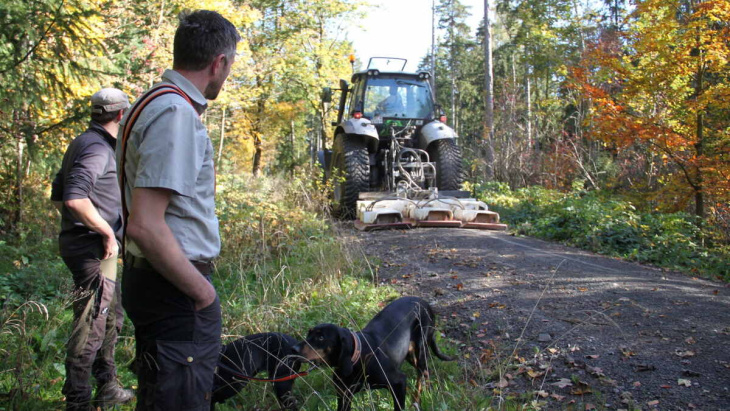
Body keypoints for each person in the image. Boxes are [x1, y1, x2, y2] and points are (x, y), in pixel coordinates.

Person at [117, 10, 239, 410]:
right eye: (230, 65)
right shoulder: (175, 113)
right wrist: (203, 296)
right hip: (174, 290)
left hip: (157, 284)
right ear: (218, 62)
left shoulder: (152, 102)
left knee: (161, 396)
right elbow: (146, 226)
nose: (227, 74)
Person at [51, 88, 134, 410]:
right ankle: (78, 400)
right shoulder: (98, 149)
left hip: (90, 247)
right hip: (93, 250)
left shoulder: (83, 142)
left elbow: (59, 193)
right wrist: (104, 232)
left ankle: (108, 386)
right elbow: (73, 197)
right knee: (92, 325)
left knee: (110, 318)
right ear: (121, 115)